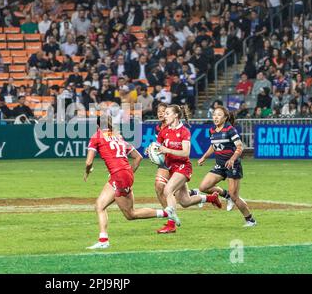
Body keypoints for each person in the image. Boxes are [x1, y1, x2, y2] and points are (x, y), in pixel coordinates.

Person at [84, 115, 175, 249]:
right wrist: (127, 173)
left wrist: (87, 170)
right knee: (100, 205)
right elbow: (137, 157)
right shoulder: (117, 136)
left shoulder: (96, 136)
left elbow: (89, 161)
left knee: (130, 214)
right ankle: (103, 240)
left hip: (119, 176)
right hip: (123, 174)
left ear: (98, 126)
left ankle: (167, 213)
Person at [155, 105, 221, 233]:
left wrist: (167, 150)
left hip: (183, 167)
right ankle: (211, 198)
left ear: (176, 115)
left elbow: (186, 153)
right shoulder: (164, 131)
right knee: (185, 202)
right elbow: (158, 147)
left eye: (168, 113)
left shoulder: (184, 131)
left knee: (168, 190)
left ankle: (171, 225)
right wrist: (152, 151)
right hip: (171, 168)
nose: (165, 115)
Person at [197, 106, 257, 227]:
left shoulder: (230, 130)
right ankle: (226, 195)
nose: (216, 117)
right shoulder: (212, 131)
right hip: (220, 165)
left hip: (232, 165)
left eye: (219, 115)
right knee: (203, 187)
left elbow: (240, 147)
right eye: (214, 114)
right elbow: (213, 146)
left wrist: (232, 159)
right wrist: (204, 157)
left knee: (235, 196)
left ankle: (250, 220)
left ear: (225, 118)